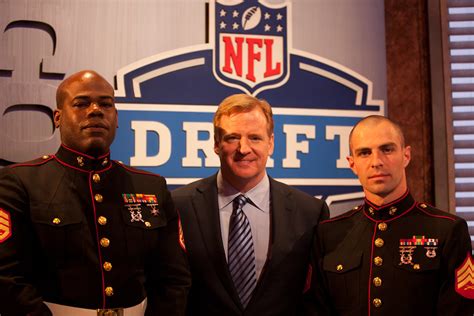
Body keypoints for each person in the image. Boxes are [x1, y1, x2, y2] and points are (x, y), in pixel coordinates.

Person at [0, 70, 191, 316]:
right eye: (81, 103)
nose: (95, 110)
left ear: (116, 117)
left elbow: (174, 277)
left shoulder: (150, 186)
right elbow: (5, 274)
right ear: (57, 117)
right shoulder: (20, 182)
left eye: (105, 104)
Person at [172, 93, 329, 315]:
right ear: (216, 143)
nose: (243, 148)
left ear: (271, 143)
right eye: (232, 138)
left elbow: (316, 300)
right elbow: (168, 291)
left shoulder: (311, 212)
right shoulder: (179, 205)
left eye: (255, 138)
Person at [304, 115, 474, 315]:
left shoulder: (447, 230)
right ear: (352, 164)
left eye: (387, 149)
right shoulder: (328, 234)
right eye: (365, 153)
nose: (376, 162)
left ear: (406, 155)